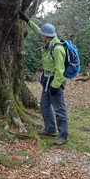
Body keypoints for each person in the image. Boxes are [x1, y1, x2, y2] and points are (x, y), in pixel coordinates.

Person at [19, 11, 69, 146]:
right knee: (44, 105)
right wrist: (27, 20)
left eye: (42, 34)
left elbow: (60, 70)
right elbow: (37, 31)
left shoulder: (57, 48)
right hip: (46, 80)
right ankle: (50, 129)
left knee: (59, 108)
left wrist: (56, 85)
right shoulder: (49, 42)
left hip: (55, 81)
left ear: (47, 36)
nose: (40, 35)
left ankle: (63, 135)